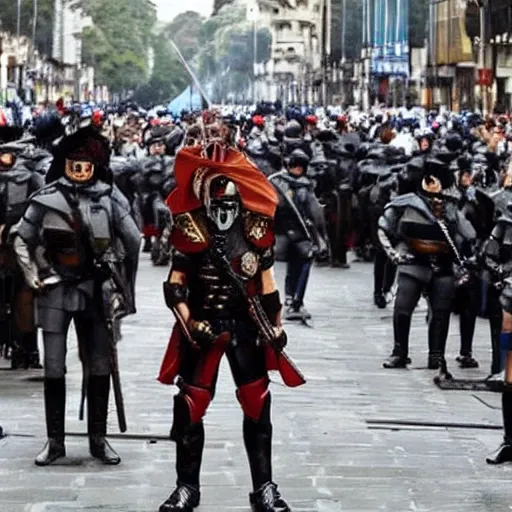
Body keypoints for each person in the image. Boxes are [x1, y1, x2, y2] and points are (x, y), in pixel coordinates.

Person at [157, 122, 305, 512]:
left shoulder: (257, 231)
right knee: (190, 407)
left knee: (258, 405)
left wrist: (276, 329)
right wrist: (191, 322)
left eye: (231, 204)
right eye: (218, 203)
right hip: (202, 327)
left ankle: (265, 488)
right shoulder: (190, 229)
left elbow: (269, 286)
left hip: (244, 327)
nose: (224, 210)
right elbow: (175, 287)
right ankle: (186, 487)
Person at [11, 126, 140, 466]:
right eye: (75, 163)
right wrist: (32, 275)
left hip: (96, 291)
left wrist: (122, 284)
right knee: (53, 366)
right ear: (65, 164)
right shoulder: (47, 197)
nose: (81, 170)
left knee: (99, 364)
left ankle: (98, 438)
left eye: (86, 164)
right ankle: (55, 442)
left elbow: (133, 241)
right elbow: (21, 237)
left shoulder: (111, 197)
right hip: (54, 288)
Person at [378, 166, 475, 374]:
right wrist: (394, 253)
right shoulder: (404, 204)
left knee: (441, 312)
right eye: (429, 179)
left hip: (443, 264)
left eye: (437, 180)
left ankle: (436, 354)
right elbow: (383, 228)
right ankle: (399, 351)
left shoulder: (451, 207)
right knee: (402, 308)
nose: (432, 183)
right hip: (413, 261)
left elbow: (468, 234)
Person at [269, 149, 327, 322]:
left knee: (293, 265)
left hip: (281, 232)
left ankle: (289, 297)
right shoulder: (304, 185)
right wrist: (321, 236)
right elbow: (315, 213)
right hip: (299, 232)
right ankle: (296, 301)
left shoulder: (274, 181)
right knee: (304, 262)